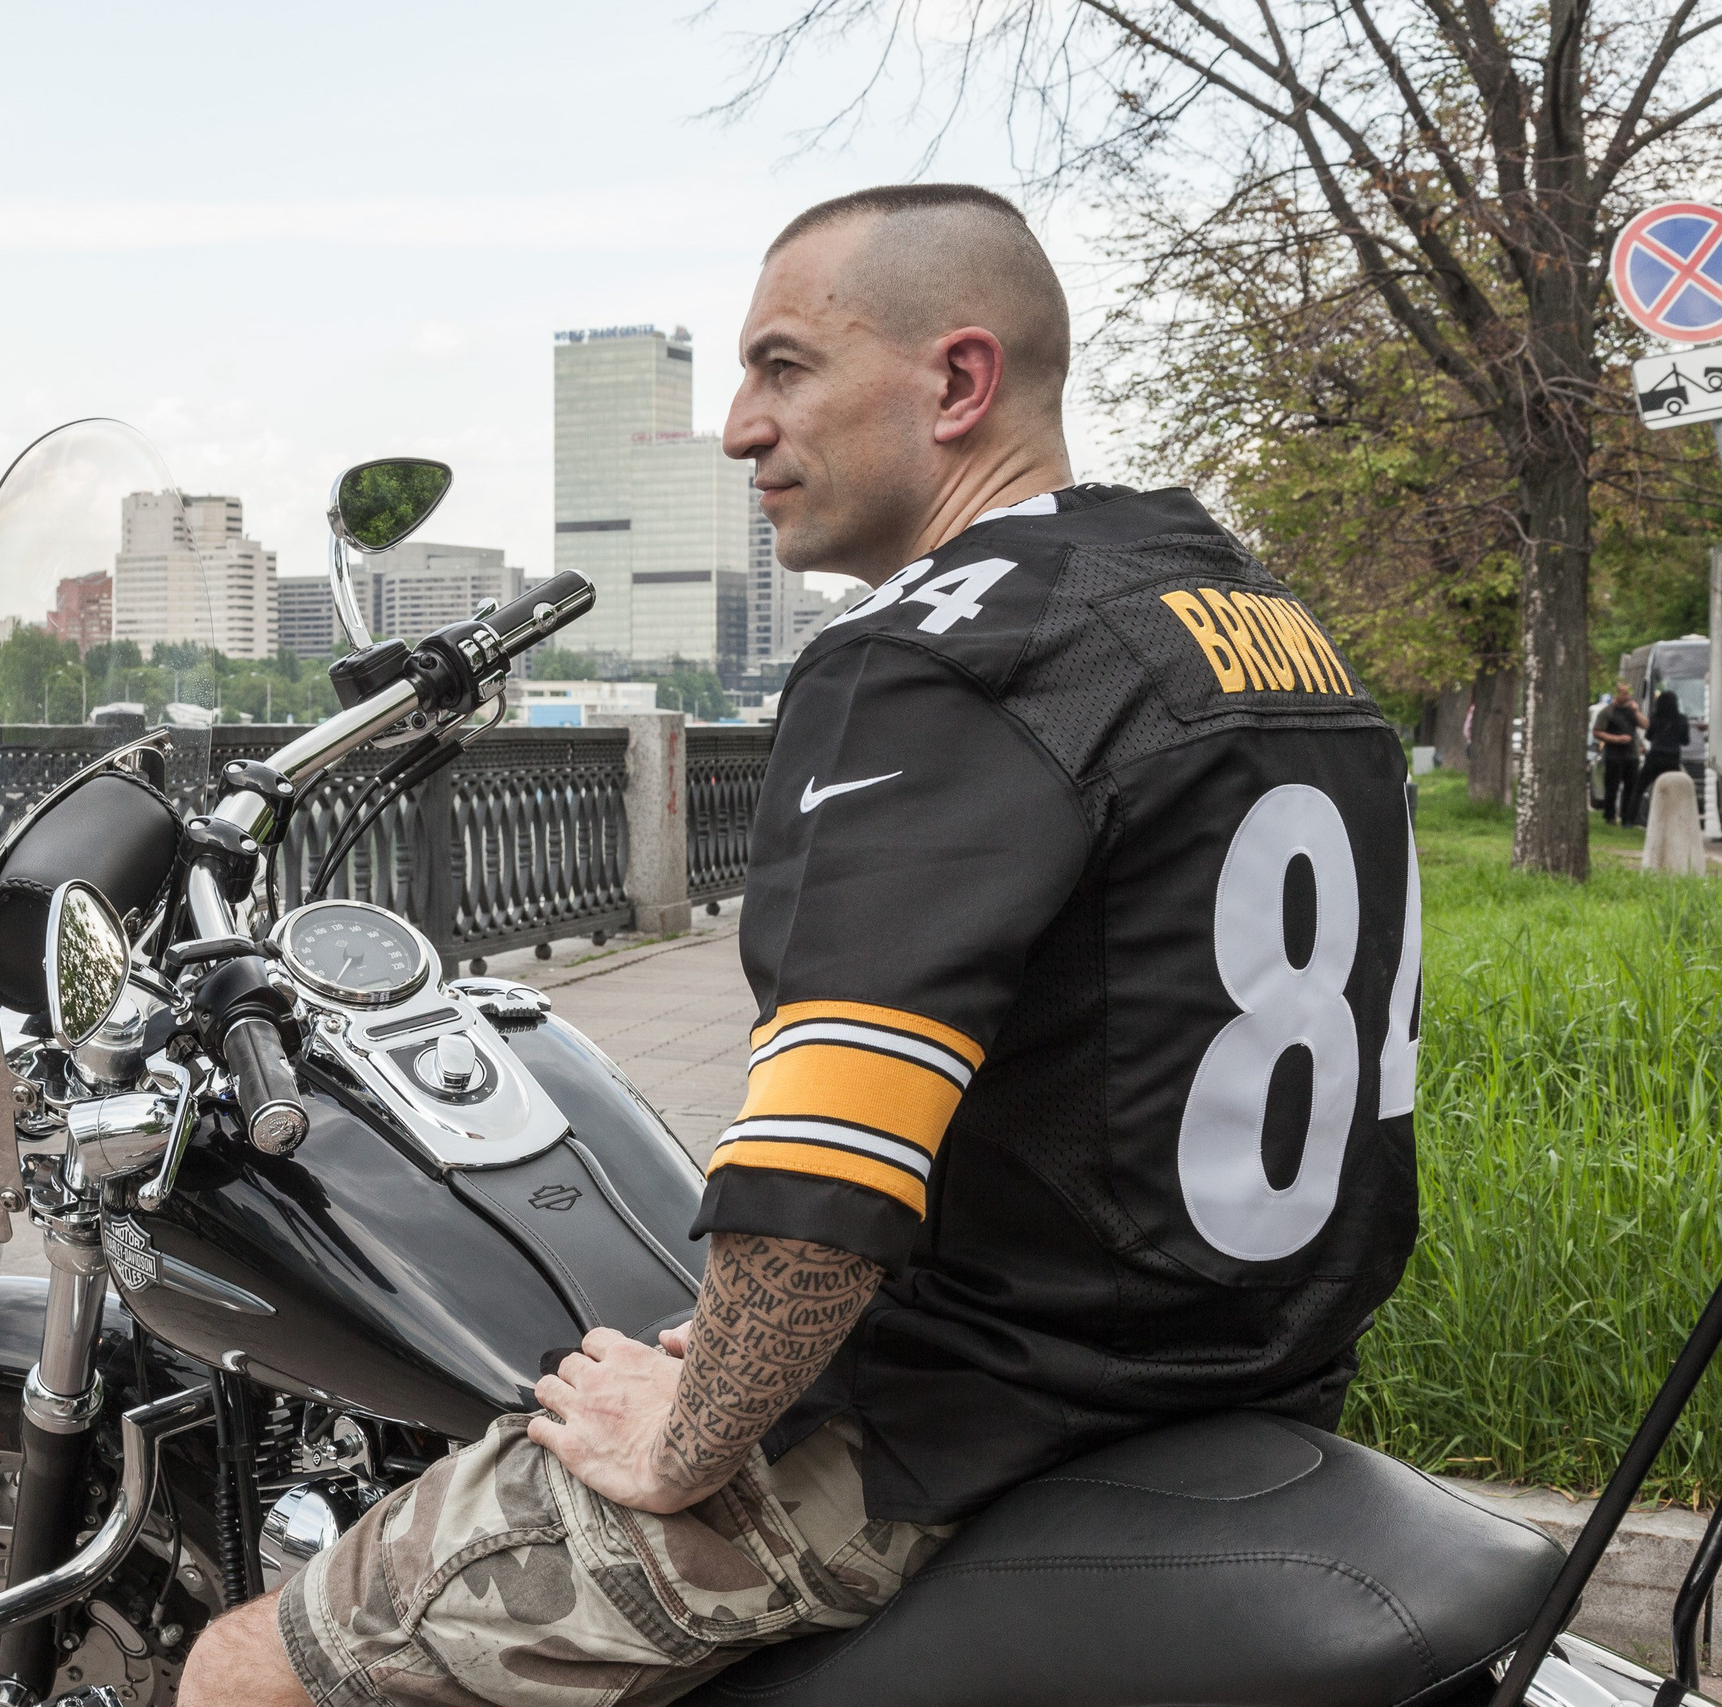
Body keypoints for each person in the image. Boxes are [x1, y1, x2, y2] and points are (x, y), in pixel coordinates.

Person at [179, 184, 1422, 1707]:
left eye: (783, 368)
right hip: (1242, 1369)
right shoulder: (1256, 624)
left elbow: (829, 1168)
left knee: (253, 1663)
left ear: (957, 383)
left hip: (973, 1414)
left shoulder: (935, 661)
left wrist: (691, 1424)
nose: (737, 428)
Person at [1597, 683, 1643, 826]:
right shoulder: (1607, 711)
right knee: (1612, 787)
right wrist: (1616, 739)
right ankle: (1610, 816)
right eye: (1624, 693)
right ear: (1617, 694)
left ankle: (1627, 817)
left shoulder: (1632, 711)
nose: (1627, 696)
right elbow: (1597, 731)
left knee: (1631, 787)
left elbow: (1645, 725)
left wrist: (1636, 711)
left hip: (1632, 755)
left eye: (1628, 693)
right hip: (1613, 755)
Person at [1641, 687, 1690, 813]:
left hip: (1655, 756)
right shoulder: (1682, 719)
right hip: (1672, 758)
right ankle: (1673, 813)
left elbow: (1648, 736)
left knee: (1639, 787)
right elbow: (1685, 741)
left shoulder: (1655, 717)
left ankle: (1629, 819)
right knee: (1674, 788)